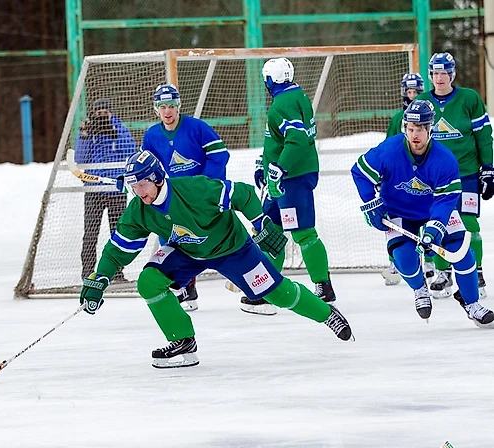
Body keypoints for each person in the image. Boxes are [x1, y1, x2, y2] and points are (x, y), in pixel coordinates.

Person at [79, 150, 353, 369]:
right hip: (188, 252)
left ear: (158, 178)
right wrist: (100, 278)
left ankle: (326, 313)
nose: (139, 192)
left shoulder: (195, 189)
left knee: (276, 293)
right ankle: (183, 341)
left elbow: (243, 193)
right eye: (133, 186)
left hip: (233, 248)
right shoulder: (138, 210)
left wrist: (260, 221)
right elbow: (117, 250)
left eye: (142, 184)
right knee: (149, 282)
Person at [351, 100, 493, 327]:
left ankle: (472, 303)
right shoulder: (389, 150)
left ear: (430, 129)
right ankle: (420, 289)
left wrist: (434, 229)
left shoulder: (445, 159)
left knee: (461, 252)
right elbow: (360, 171)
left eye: (419, 129)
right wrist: (371, 203)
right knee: (403, 257)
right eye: (410, 129)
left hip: (433, 210)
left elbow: (445, 199)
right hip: (398, 210)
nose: (414, 135)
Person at [249, 57, 335, 316]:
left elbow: (296, 139)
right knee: (271, 232)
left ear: (270, 79)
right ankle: (268, 287)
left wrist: (279, 168)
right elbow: (278, 139)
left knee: (303, 233)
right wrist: (264, 162)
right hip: (284, 178)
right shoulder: (294, 96)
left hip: (291, 179)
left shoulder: (283, 103)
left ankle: (323, 285)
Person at [140, 84, 230, 312]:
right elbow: (147, 166)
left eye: (171, 106)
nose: (167, 111)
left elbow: (220, 155)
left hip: (203, 196)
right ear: (156, 109)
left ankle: (250, 280)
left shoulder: (197, 127)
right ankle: (184, 288)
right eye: (162, 106)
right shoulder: (152, 135)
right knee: (170, 235)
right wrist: (136, 180)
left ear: (178, 106)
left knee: (219, 238)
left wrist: (205, 185)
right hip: (177, 196)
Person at [416, 52, 493, 299]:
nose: (439, 78)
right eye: (435, 73)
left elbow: (484, 136)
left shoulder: (469, 99)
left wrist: (489, 168)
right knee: (438, 223)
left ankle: (476, 272)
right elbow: (412, 139)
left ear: (452, 74)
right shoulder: (422, 102)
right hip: (434, 178)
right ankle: (443, 272)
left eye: (444, 73)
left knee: (468, 224)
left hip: (467, 173)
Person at [75, 98, 137, 281]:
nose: (102, 116)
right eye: (99, 113)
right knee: (90, 233)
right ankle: (87, 272)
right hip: (94, 190)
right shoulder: (90, 131)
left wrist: (114, 132)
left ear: (111, 113)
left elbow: (131, 150)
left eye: (105, 113)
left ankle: (117, 272)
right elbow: (80, 159)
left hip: (115, 189)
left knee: (117, 233)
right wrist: (85, 135)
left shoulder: (120, 128)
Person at [382, 72, 426, 286]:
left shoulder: (428, 117)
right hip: (401, 178)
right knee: (396, 219)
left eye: (416, 91)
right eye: (409, 91)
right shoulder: (398, 119)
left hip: (423, 178)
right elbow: (388, 147)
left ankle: (429, 262)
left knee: (425, 217)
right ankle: (395, 261)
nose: (412, 95)